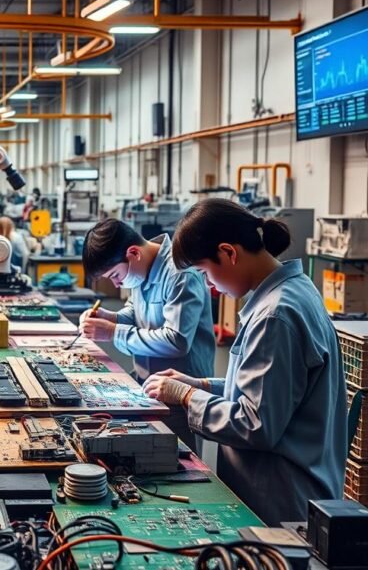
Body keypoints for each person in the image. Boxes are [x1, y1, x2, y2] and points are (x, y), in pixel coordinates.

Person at [142, 199, 347, 525]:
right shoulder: (296, 290)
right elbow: (274, 391)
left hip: (281, 497)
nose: (208, 285)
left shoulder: (275, 316)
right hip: (290, 483)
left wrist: (185, 396)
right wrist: (201, 384)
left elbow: (256, 424)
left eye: (205, 272)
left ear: (229, 253)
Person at [77, 218, 215, 450]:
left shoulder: (181, 274)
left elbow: (176, 341)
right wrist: (109, 317)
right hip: (148, 385)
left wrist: (113, 332)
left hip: (178, 393)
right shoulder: (141, 269)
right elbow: (135, 312)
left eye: (115, 275)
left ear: (133, 253)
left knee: (178, 465)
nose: (118, 284)